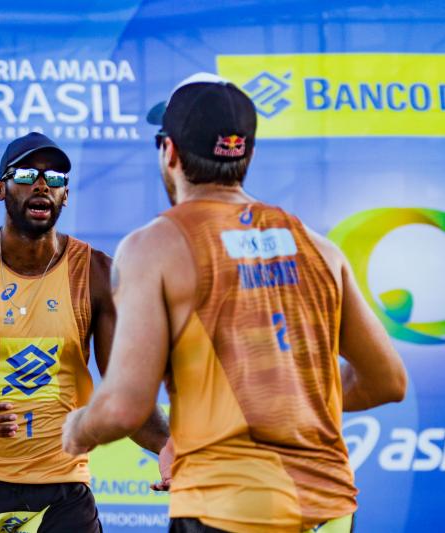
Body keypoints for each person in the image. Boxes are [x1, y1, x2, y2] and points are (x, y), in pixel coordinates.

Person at [62, 73, 408, 533]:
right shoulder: (319, 248)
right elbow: (388, 381)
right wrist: (287, 395)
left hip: (229, 510)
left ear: (169, 153)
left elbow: (125, 406)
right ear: (247, 154)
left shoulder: (155, 246)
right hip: (329, 509)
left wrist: (76, 430)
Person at [0, 132, 170, 532]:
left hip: (60, 486)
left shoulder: (97, 275)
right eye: (28, 173)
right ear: (0, 188)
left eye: (54, 179)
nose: (41, 185)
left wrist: (172, 447)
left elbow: (125, 394)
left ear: (65, 196)